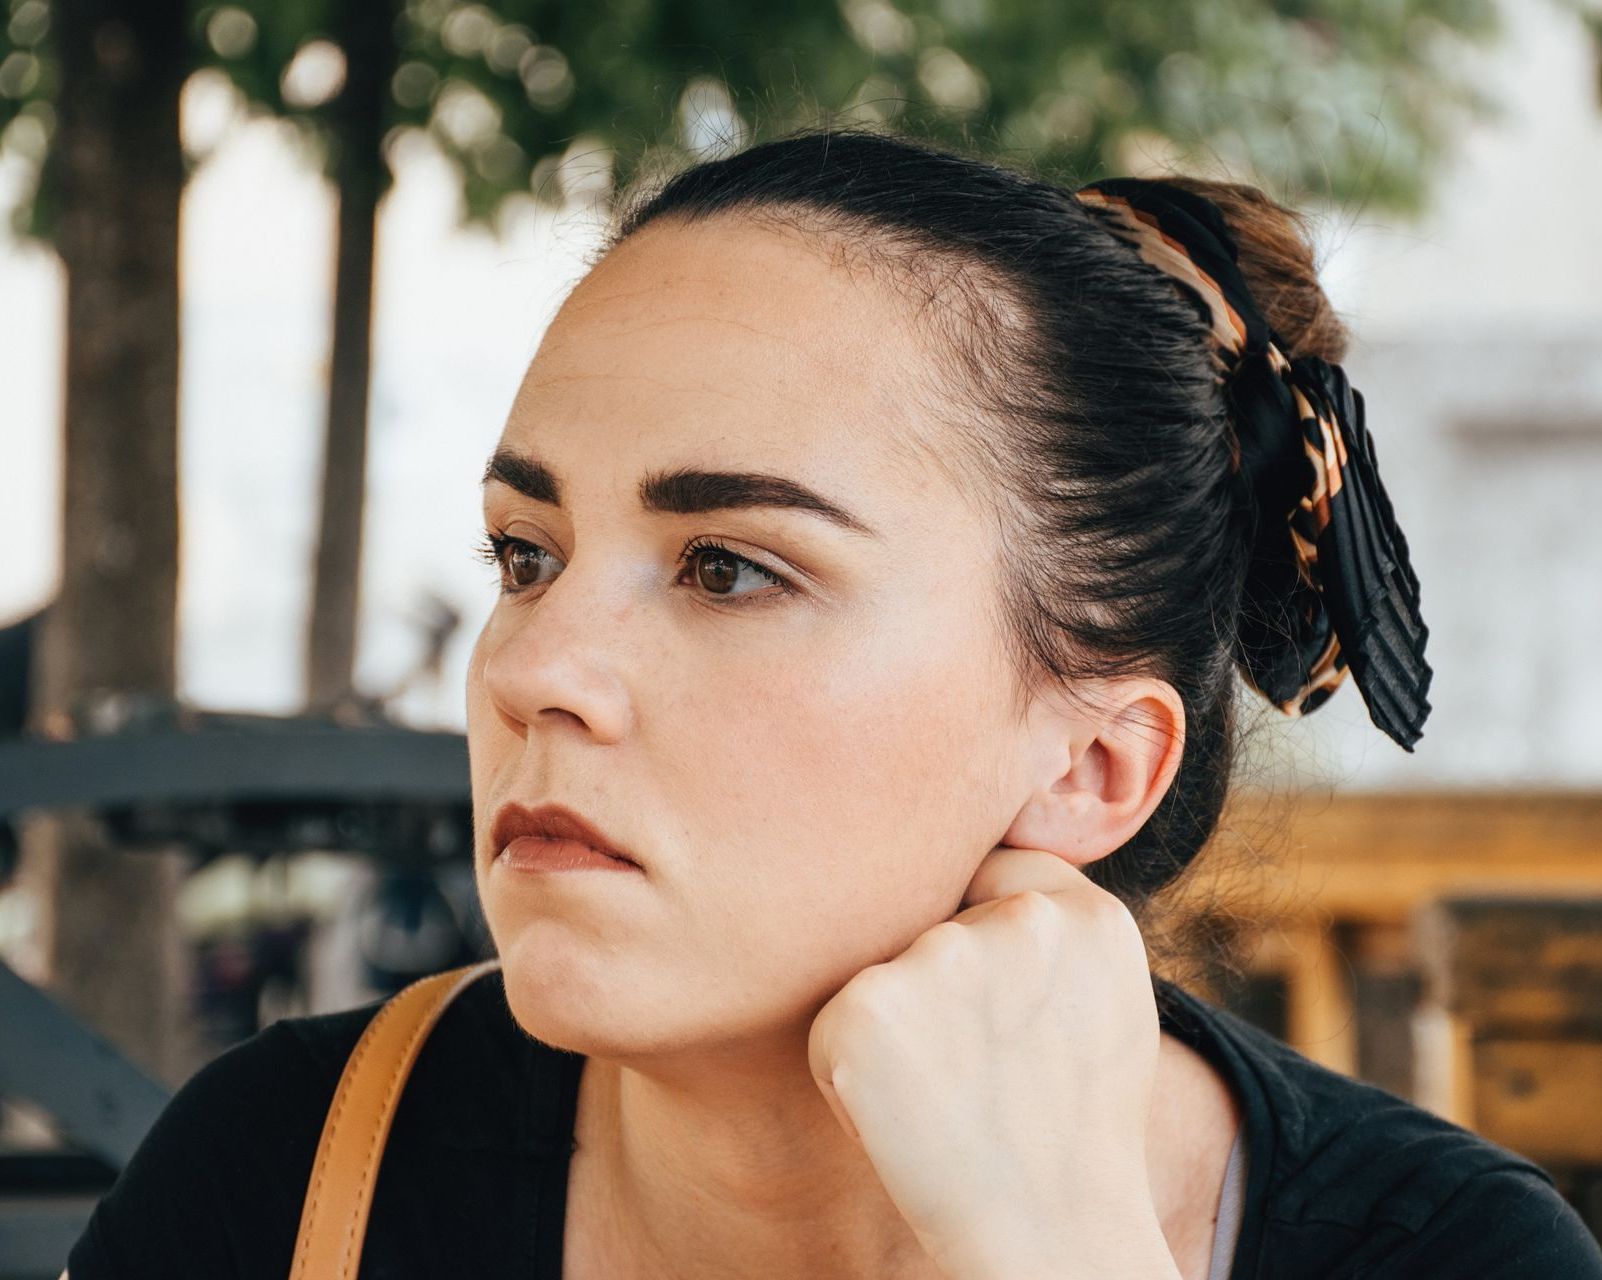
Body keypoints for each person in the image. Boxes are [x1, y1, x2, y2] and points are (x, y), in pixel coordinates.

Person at [64, 127, 1602, 1280]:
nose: (530, 670)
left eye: (728, 570)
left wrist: (1051, 1251)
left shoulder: (1443, 1258)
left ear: (1086, 765)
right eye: (526, 554)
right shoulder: (284, 1177)